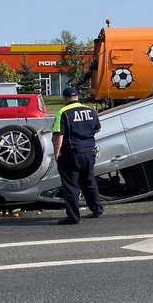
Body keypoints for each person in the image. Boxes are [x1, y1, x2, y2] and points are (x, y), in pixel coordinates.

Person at [51, 86, 102, 224]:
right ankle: (97, 209)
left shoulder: (63, 112)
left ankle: (73, 217)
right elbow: (97, 128)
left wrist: (56, 152)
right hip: (89, 152)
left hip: (71, 153)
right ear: (77, 97)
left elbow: (58, 135)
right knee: (89, 181)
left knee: (71, 185)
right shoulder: (90, 110)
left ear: (64, 98)